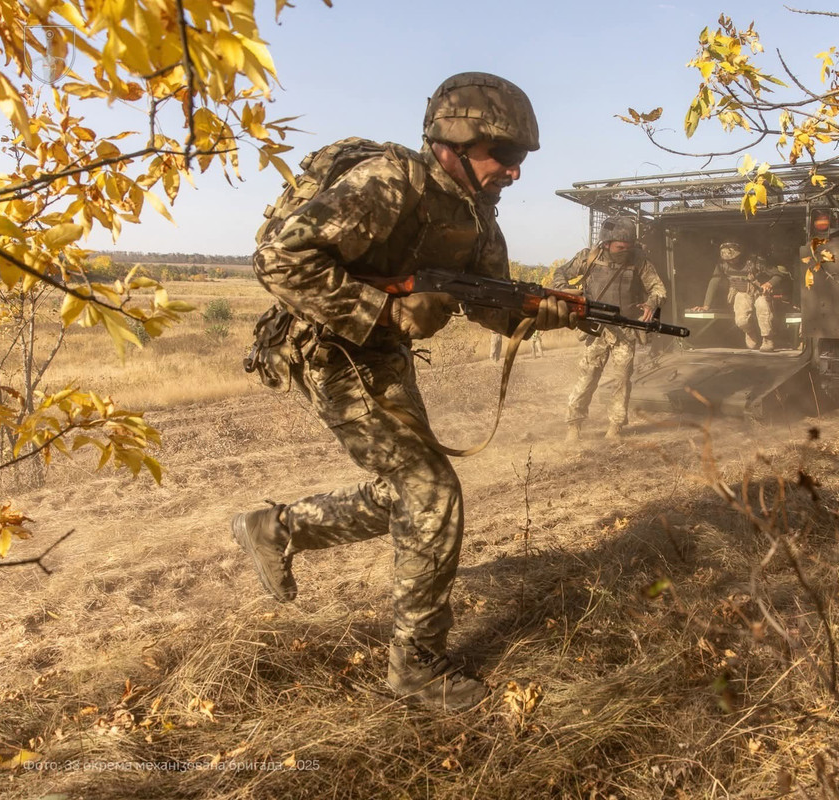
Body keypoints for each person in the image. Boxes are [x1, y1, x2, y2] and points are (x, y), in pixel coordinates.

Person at [231, 72, 574, 712]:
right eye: (505, 154)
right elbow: (278, 260)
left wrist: (541, 315)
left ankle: (276, 528)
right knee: (430, 490)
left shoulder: (476, 214)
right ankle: (416, 666)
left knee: (413, 490)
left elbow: (491, 303)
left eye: (521, 158)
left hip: (380, 356)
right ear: (455, 141)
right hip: (326, 349)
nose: (514, 171)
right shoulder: (389, 183)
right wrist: (385, 311)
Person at [555, 216, 666, 440]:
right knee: (587, 377)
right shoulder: (589, 257)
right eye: (619, 247)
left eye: (629, 247)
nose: (625, 251)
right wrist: (567, 293)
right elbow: (560, 274)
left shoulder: (639, 260)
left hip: (625, 329)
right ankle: (574, 425)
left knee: (622, 380)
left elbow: (658, 289)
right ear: (606, 244)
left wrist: (651, 303)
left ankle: (616, 425)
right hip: (594, 328)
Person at [694, 241, 788, 351]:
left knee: (763, 309)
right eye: (728, 260)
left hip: (760, 293)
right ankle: (750, 332)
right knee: (741, 320)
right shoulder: (722, 264)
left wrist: (769, 284)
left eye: (734, 258)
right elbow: (715, 280)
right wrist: (706, 305)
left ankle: (767, 339)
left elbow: (778, 275)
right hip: (742, 293)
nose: (731, 262)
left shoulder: (756, 261)